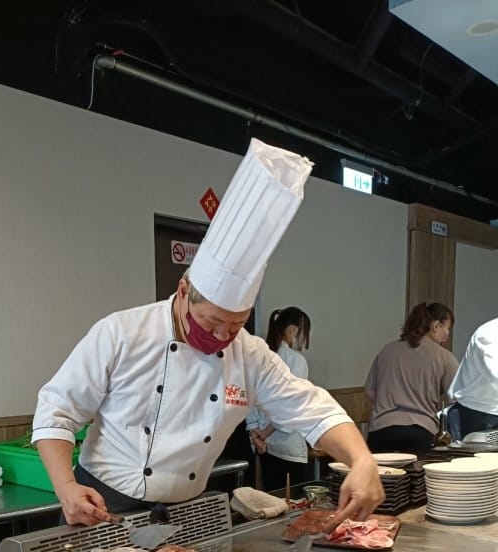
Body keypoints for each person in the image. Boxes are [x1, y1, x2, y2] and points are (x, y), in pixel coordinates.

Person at [32, 139, 384, 526]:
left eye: (236, 324)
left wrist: (362, 460)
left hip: (187, 511)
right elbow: (57, 410)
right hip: (103, 505)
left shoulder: (250, 355)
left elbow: (311, 410)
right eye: (212, 322)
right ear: (183, 292)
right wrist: (65, 487)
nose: (222, 336)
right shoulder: (122, 333)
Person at [364, 302, 458, 454]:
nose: (447, 334)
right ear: (436, 326)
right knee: (416, 477)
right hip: (420, 432)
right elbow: (457, 395)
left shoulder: (387, 350)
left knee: (381, 477)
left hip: (381, 431)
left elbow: (370, 391)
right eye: (447, 328)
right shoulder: (444, 357)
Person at [246, 307, 312, 491]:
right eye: (303, 333)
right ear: (292, 330)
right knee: (294, 506)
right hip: (287, 447)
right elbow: (290, 406)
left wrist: (255, 434)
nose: (303, 339)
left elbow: (248, 399)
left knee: (272, 502)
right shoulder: (296, 360)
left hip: (265, 447)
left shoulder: (259, 357)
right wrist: (264, 434)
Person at [447, 317, 498, 438]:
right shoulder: (489, 332)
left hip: (488, 412)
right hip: (475, 414)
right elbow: (494, 373)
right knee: (467, 457)